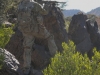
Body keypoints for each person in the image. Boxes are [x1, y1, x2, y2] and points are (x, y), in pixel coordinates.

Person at [17, 0, 58, 75]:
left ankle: (26, 68)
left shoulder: (20, 4)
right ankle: (56, 57)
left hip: (25, 29)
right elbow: (44, 12)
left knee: (27, 48)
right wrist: (47, 4)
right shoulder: (34, 4)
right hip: (36, 29)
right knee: (50, 37)